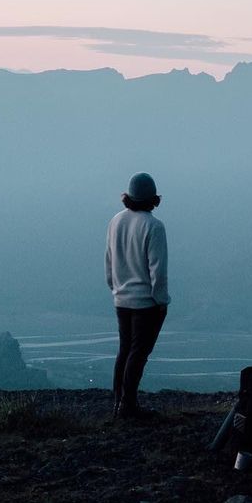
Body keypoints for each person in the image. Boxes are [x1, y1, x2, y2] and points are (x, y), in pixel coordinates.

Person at [105, 172, 170, 420]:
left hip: (121, 300)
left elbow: (108, 262)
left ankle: (118, 402)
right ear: (154, 199)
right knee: (138, 352)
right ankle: (128, 406)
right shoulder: (154, 226)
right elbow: (158, 270)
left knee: (125, 350)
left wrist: (116, 288)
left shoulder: (115, 221)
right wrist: (161, 301)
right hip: (146, 303)